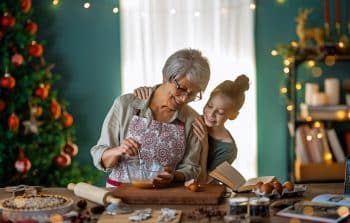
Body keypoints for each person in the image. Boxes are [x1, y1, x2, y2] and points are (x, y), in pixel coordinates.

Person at [90, 48, 210, 188]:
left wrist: (174, 176)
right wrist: (119, 150)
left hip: (164, 199)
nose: (184, 98)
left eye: (192, 94)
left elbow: (191, 167)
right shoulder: (126, 105)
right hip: (119, 195)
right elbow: (100, 156)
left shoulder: (191, 119)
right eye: (181, 88)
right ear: (166, 77)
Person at [134, 75, 249, 183]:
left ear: (233, 115)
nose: (211, 114)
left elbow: (203, 182)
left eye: (220, 112)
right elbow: (169, 97)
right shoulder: (190, 118)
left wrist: (204, 145)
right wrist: (149, 92)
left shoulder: (228, 150)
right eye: (209, 106)